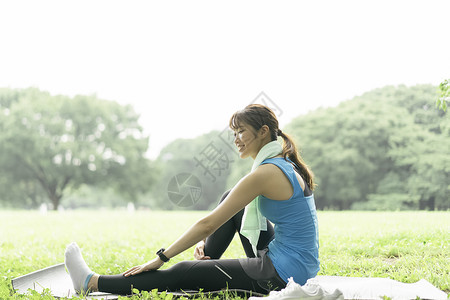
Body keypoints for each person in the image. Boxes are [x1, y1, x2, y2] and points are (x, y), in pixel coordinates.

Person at [64, 104, 320, 296]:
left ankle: (91, 283)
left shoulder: (266, 172)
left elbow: (208, 223)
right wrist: (204, 244)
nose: (236, 139)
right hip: (297, 263)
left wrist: (161, 258)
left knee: (181, 272)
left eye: (241, 131)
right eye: (234, 133)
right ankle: (207, 260)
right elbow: (227, 210)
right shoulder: (282, 163)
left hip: (283, 274)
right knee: (229, 198)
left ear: (263, 132)